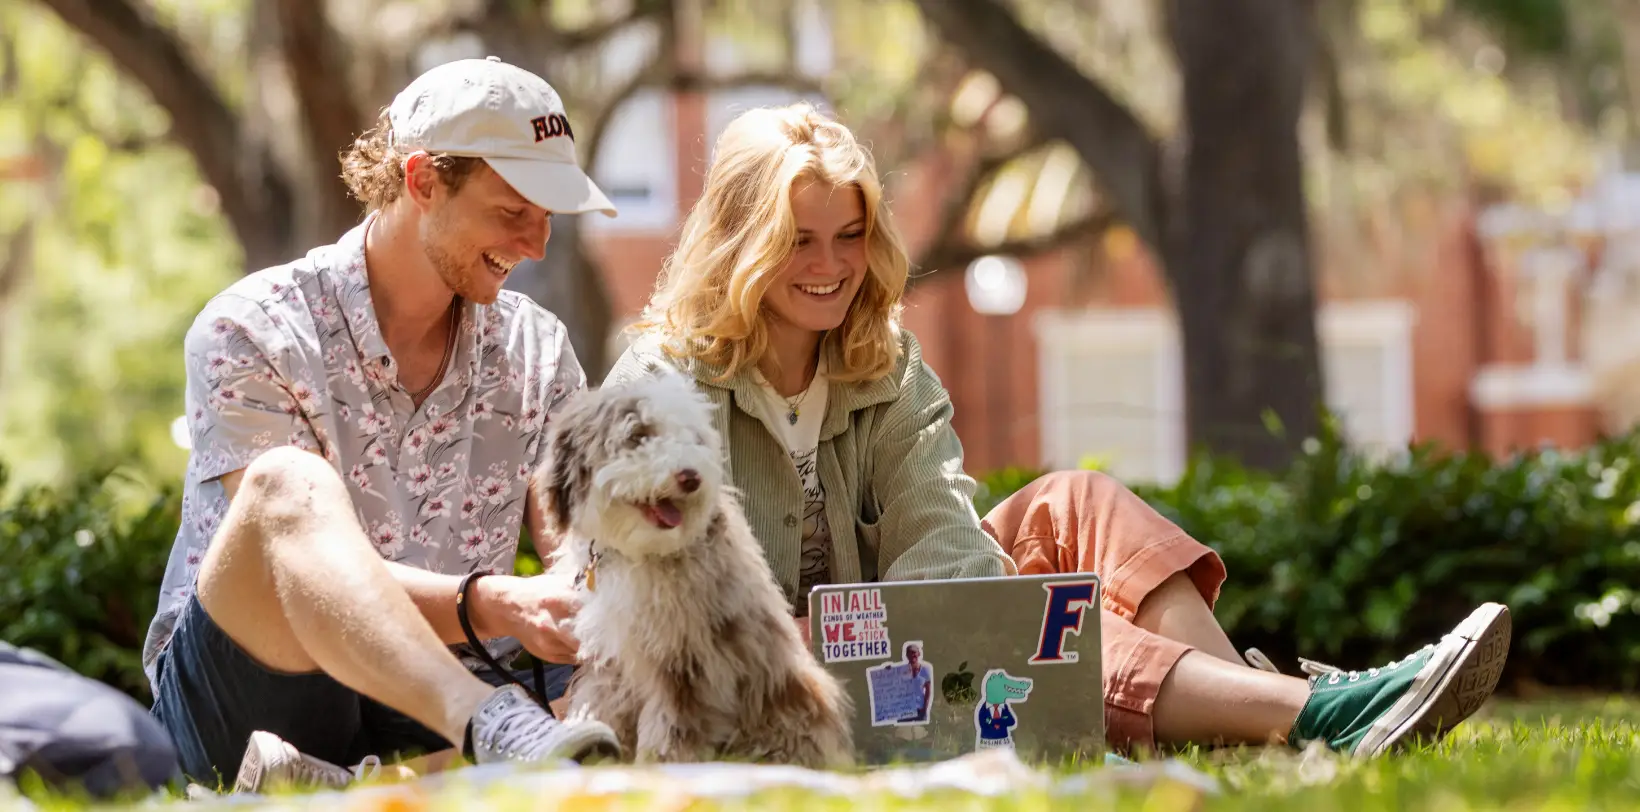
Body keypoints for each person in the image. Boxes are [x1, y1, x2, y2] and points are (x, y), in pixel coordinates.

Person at [603, 102, 1512, 758]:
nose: (832, 267)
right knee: (1038, 627)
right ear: (740, 243)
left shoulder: (883, 362)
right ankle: (1313, 714)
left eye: (849, 236)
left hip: (893, 656)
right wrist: (915, 632)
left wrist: (932, 625)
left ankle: (1259, 726)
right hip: (763, 690)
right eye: (800, 240)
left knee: (1074, 507)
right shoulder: (663, 384)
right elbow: (663, 607)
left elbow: (946, 553)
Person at [142, 57, 625, 792]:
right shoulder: (253, 329)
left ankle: (350, 784)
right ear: (423, 179)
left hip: (432, 705)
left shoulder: (537, 349)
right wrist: (488, 605)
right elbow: (282, 562)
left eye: (548, 215)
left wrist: (585, 652)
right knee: (285, 485)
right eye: (512, 211)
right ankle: (480, 735)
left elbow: (578, 548)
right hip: (252, 697)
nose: (537, 245)